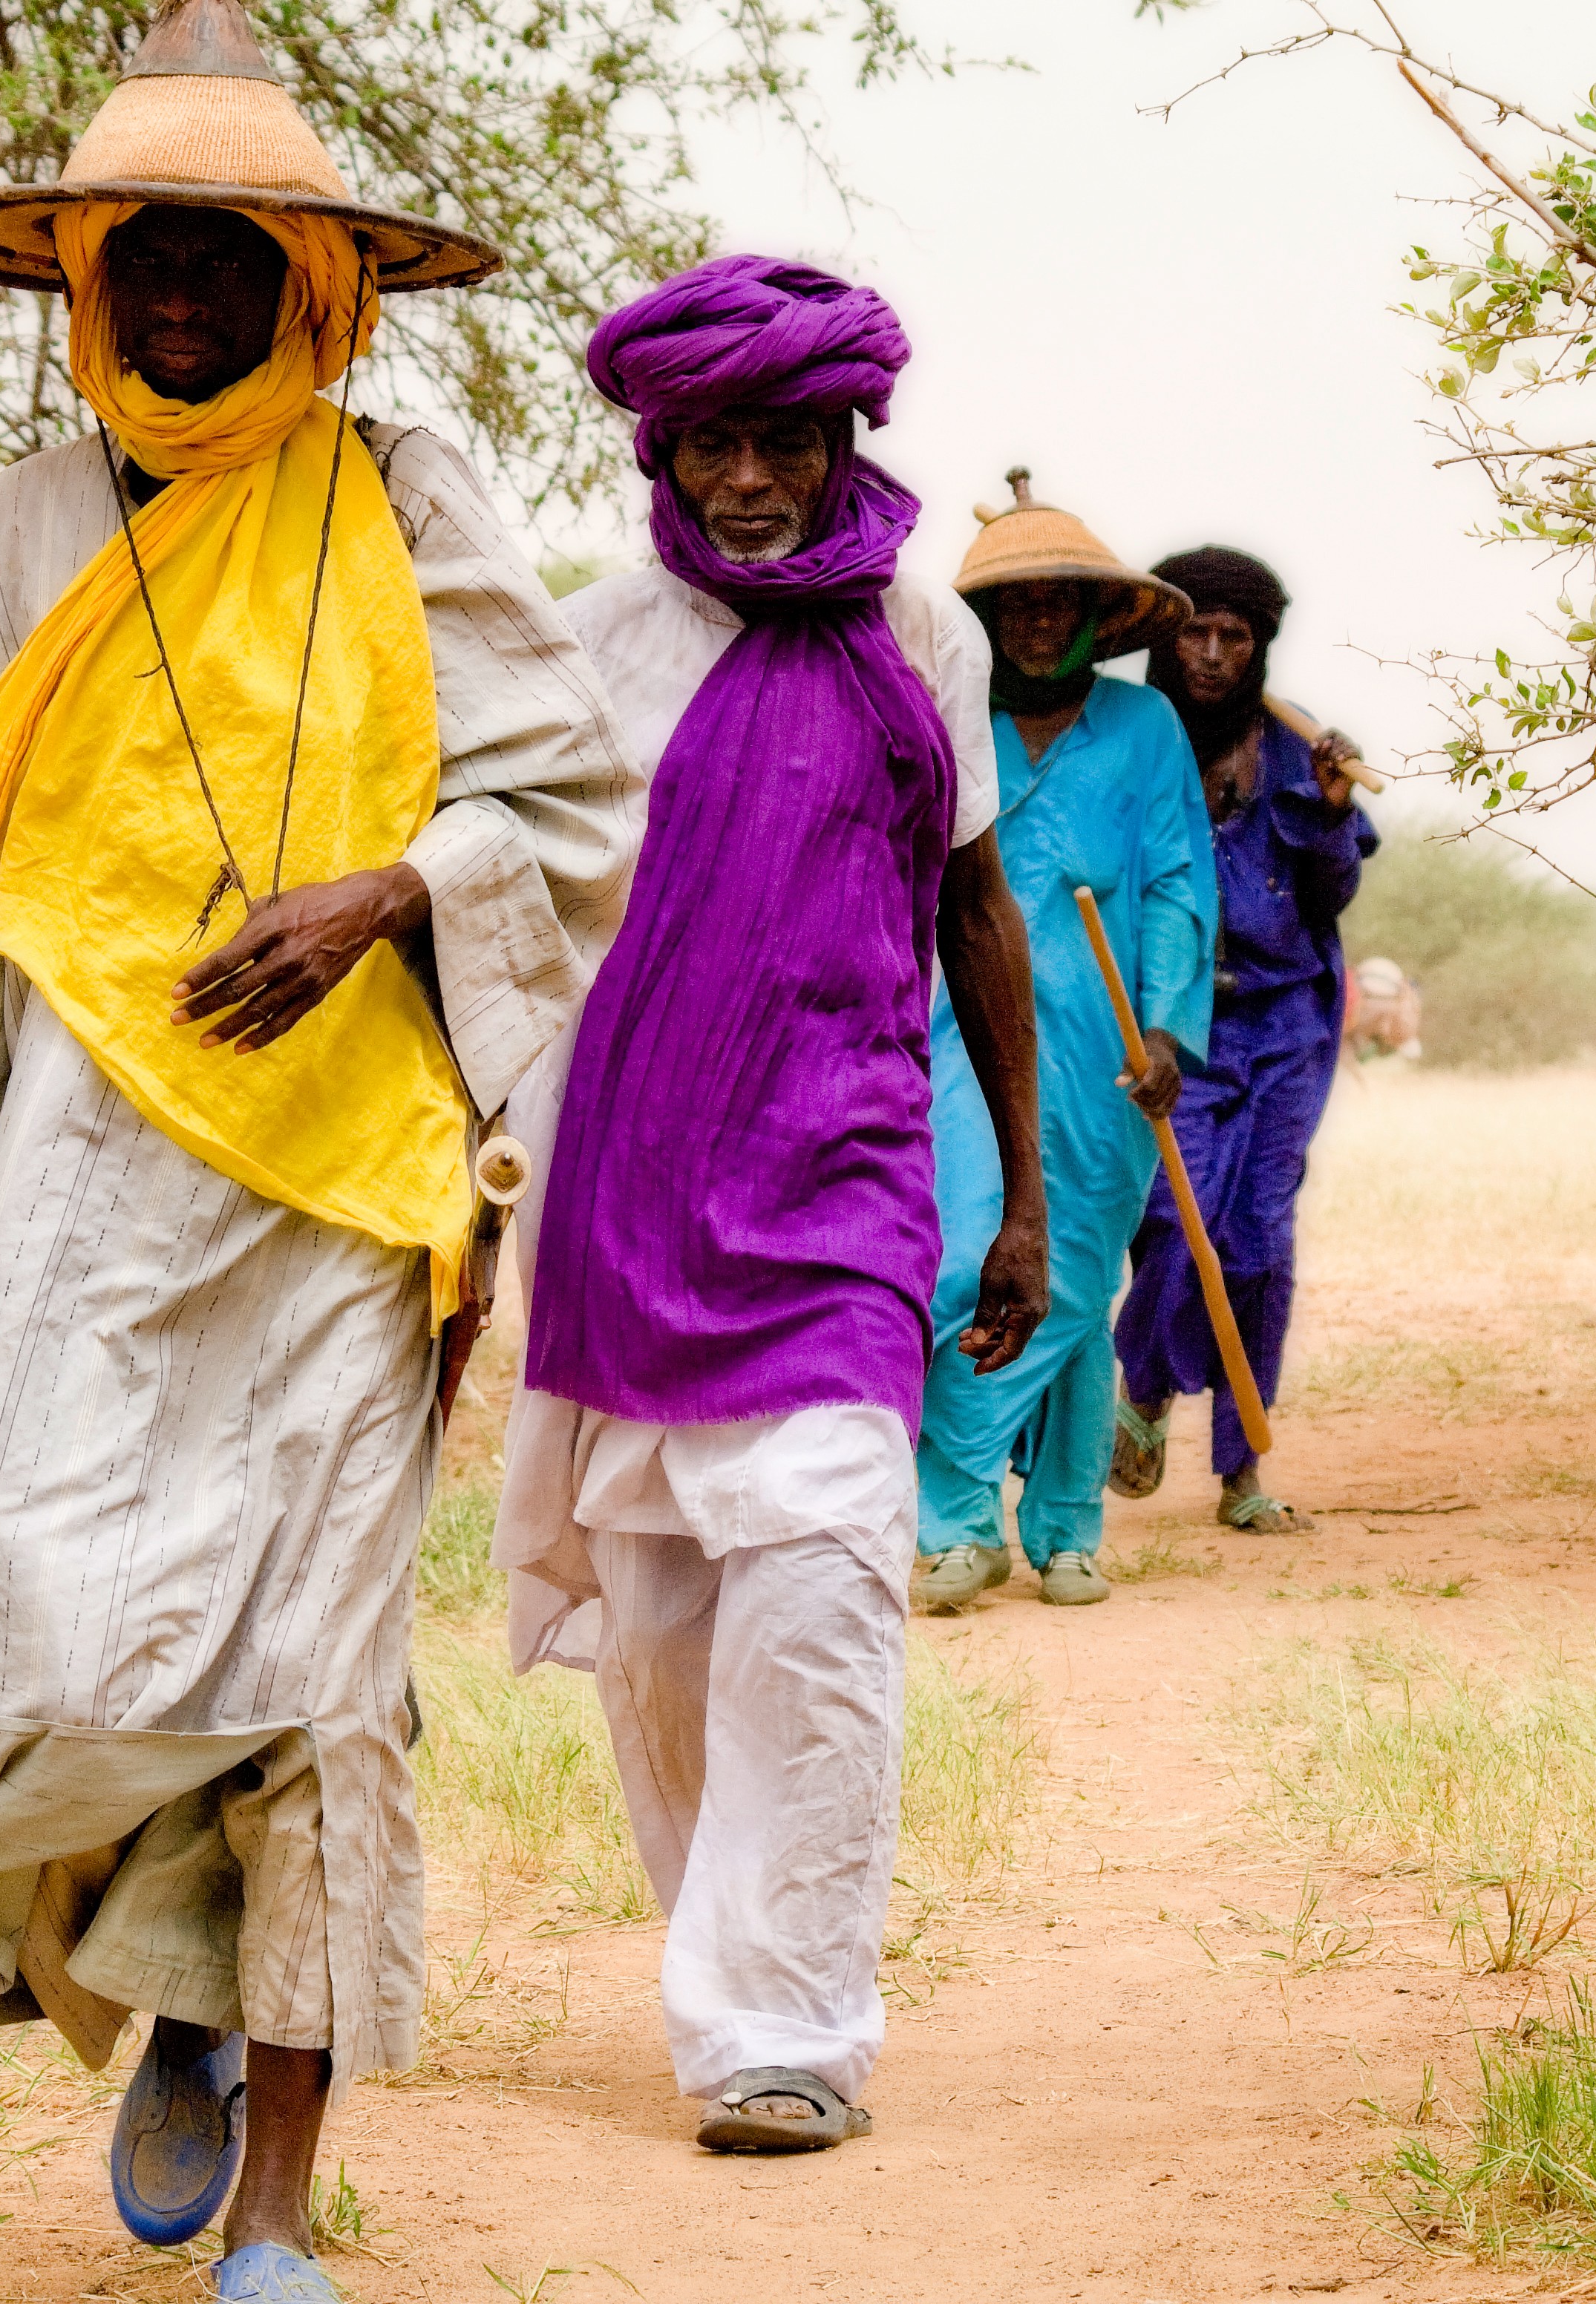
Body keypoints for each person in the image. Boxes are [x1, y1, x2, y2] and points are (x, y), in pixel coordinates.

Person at [0, 8, 637, 2299]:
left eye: (224, 254)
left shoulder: (411, 493)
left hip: (347, 1177)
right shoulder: (23, 526)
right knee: (48, 1627)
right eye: (143, 257)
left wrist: (383, 896)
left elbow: (567, 803)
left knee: (310, 1673)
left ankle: (276, 2197)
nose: (179, 294)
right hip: (84, 1190)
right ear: (85, 281)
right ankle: (166, 1969)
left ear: (316, 282)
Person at [489, 255, 1048, 2156]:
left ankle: (783, 2028)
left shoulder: (920, 634)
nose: (746, 480)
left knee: (817, 1582)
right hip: (623, 1187)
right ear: (666, 444)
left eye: (781, 443)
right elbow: (514, 915)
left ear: (842, 439)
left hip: (845, 1170)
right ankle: (727, 1944)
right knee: (654, 1626)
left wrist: (1026, 1203)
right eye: (714, 442)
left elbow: (973, 909)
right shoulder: (589, 641)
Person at [910, 474, 1212, 1613]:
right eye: (1017, 603)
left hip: (1105, 1050)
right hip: (959, 1037)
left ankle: (1070, 1528)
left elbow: (1182, 881)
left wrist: (1172, 1025)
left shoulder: (1147, 728)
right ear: (984, 621)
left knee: (1079, 1281)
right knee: (957, 1267)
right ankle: (954, 1522)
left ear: (1098, 617)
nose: (1038, 620)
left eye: (1060, 602)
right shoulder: (948, 717)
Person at [1110, 546, 1376, 1535]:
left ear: (1260, 644)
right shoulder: (1133, 746)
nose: (1213, 655)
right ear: (1165, 641)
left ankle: (1241, 1473)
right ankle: (1142, 1390)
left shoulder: (1298, 753)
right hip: (1174, 1026)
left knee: (1258, 1243)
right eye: (1194, 632)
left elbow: (1331, 895)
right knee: (1176, 1223)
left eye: (1234, 636)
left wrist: (1335, 811)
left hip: (1289, 1024)